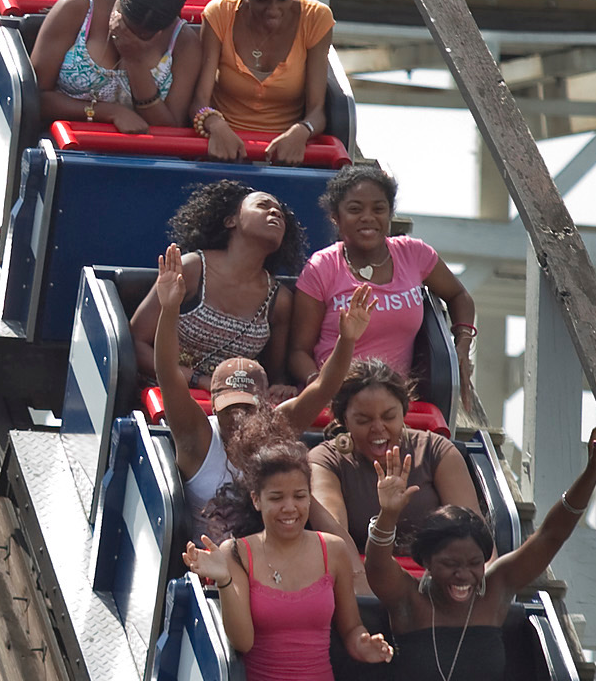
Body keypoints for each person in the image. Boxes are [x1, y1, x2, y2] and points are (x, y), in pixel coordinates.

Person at [364, 417, 596, 681]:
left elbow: (551, 535)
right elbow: (377, 565)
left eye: (473, 563)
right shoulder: (408, 600)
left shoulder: (495, 589)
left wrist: (592, 472)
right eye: (450, 564)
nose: (463, 575)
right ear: (427, 562)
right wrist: (388, 514)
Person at [149, 247, 375, 528]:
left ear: (265, 404)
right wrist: (169, 309)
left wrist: (347, 340)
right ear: (214, 404)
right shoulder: (197, 437)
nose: (238, 416)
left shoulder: (277, 428)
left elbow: (324, 388)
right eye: (230, 407)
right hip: (207, 564)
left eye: (247, 406)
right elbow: (168, 375)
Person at [184, 441, 394, 681]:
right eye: (277, 498)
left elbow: (351, 628)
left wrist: (364, 644)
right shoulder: (236, 553)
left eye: (299, 496)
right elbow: (242, 642)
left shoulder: (332, 550)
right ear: (257, 500)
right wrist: (225, 580)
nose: (289, 508)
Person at [290, 160, 479, 404]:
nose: (368, 218)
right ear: (336, 217)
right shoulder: (322, 267)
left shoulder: (414, 254)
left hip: (393, 403)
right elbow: (298, 352)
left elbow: (459, 296)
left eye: (378, 209)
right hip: (337, 400)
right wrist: (321, 387)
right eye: (355, 210)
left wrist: (461, 347)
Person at [128, 181, 306, 388]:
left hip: (232, 405)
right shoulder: (192, 268)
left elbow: (276, 376)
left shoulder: (279, 299)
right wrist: (200, 381)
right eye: (263, 206)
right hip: (164, 394)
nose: (275, 212)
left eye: (281, 214)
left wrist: (279, 388)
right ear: (231, 221)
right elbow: (135, 343)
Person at [309, 359, 482, 556]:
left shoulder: (436, 451)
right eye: (363, 420)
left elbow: (474, 536)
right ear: (345, 420)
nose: (378, 428)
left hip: (433, 577)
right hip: (358, 575)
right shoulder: (325, 461)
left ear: (404, 412)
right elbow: (334, 541)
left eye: (389, 417)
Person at [192, 0, 336, 167]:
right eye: (261, 0)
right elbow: (200, 98)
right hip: (223, 149)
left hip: (284, 155)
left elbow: (317, 110)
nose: (273, 11)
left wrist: (301, 131)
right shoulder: (220, 13)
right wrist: (216, 125)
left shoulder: (316, 18)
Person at [33, 0, 203, 132]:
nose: (132, 34)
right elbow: (36, 97)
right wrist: (109, 112)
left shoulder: (184, 43)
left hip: (141, 154)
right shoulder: (78, 8)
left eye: (146, 34)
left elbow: (169, 128)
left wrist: (134, 61)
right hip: (64, 143)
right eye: (128, 22)